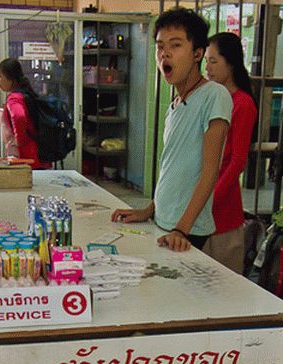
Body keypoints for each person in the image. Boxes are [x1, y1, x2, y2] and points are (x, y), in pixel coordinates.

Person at [110, 8, 231, 251]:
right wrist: (148, 210)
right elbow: (174, 169)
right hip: (164, 221)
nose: (164, 53)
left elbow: (210, 171)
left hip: (188, 229)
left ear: (198, 54)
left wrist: (181, 229)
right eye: (160, 46)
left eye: (175, 45)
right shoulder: (174, 105)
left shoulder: (214, 96)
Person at [202, 32, 257, 273]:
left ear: (231, 62)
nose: (208, 68)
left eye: (213, 61)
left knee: (222, 287)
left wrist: (208, 198)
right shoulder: (211, 98)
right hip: (198, 205)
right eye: (206, 61)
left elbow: (237, 162)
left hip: (221, 212)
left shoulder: (243, 104)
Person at [0, 58, 49, 170]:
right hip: (38, 154)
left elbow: (19, 117)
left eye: (0, 76)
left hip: (26, 158)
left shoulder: (14, 98)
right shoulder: (26, 93)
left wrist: (18, 141)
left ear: (10, 78)